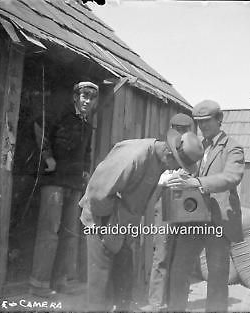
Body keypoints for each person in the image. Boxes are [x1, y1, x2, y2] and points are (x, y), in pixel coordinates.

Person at [79, 128, 204, 311]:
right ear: (169, 153)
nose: (175, 169)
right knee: (100, 285)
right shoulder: (134, 157)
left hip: (123, 225)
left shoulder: (158, 159)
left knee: (124, 282)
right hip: (101, 222)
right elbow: (98, 195)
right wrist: (109, 227)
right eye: (176, 164)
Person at [166, 100, 245, 312]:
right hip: (194, 218)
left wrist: (197, 183)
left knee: (218, 276)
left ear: (220, 119)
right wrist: (181, 177)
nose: (203, 127)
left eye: (207, 121)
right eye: (199, 123)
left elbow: (231, 177)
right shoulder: (200, 146)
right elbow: (191, 172)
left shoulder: (233, 147)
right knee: (179, 268)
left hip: (219, 220)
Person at [29, 81, 99, 297]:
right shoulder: (61, 114)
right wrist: (48, 156)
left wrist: (86, 170)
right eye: (83, 95)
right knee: (50, 232)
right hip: (55, 181)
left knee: (69, 234)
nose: (87, 100)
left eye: (91, 97)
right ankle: (38, 284)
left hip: (74, 183)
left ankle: (60, 282)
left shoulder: (87, 124)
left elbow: (87, 151)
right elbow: (39, 127)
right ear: (75, 97)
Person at [146, 113, 195, 311]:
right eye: (177, 129)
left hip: (186, 208)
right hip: (165, 205)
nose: (181, 133)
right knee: (162, 255)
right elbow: (153, 185)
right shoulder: (162, 148)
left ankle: (174, 302)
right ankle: (156, 303)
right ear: (171, 129)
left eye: (185, 130)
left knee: (179, 257)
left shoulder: (193, 150)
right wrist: (163, 181)